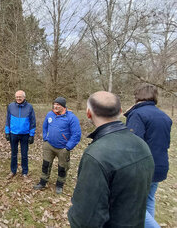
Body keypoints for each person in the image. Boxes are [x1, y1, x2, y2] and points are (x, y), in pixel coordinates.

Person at [68, 91, 154, 228]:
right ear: (120, 111)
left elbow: (85, 219)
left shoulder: (96, 155)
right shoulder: (142, 144)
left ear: (88, 113)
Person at [124, 84, 173, 228]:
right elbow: (166, 143)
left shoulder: (138, 114)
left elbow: (133, 144)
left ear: (138, 96)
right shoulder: (165, 116)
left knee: (132, 204)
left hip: (143, 168)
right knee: (149, 200)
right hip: (160, 166)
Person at [33, 97, 81, 194]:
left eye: (58, 105)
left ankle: (59, 184)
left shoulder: (71, 117)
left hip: (63, 148)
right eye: (54, 104)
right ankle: (43, 182)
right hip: (49, 146)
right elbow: (45, 126)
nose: (55, 106)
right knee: (46, 164)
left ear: (63, 106)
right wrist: (45, 138)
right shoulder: (50, 114)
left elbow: (76, 134)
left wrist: (68, 147)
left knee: (62, 167)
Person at [5, 90, 36, 178]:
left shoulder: (29, 107)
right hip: (13, 134)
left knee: (24, 154)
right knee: (14, 154)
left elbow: (33, 121)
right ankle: (13, 171)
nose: (18, 98)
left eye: (20, 97)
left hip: (25, 134)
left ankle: (24, 172)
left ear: (24, 97)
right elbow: (8, 120)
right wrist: (7, 132)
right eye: (17, 97)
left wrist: (32, 134)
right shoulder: (10, 106)